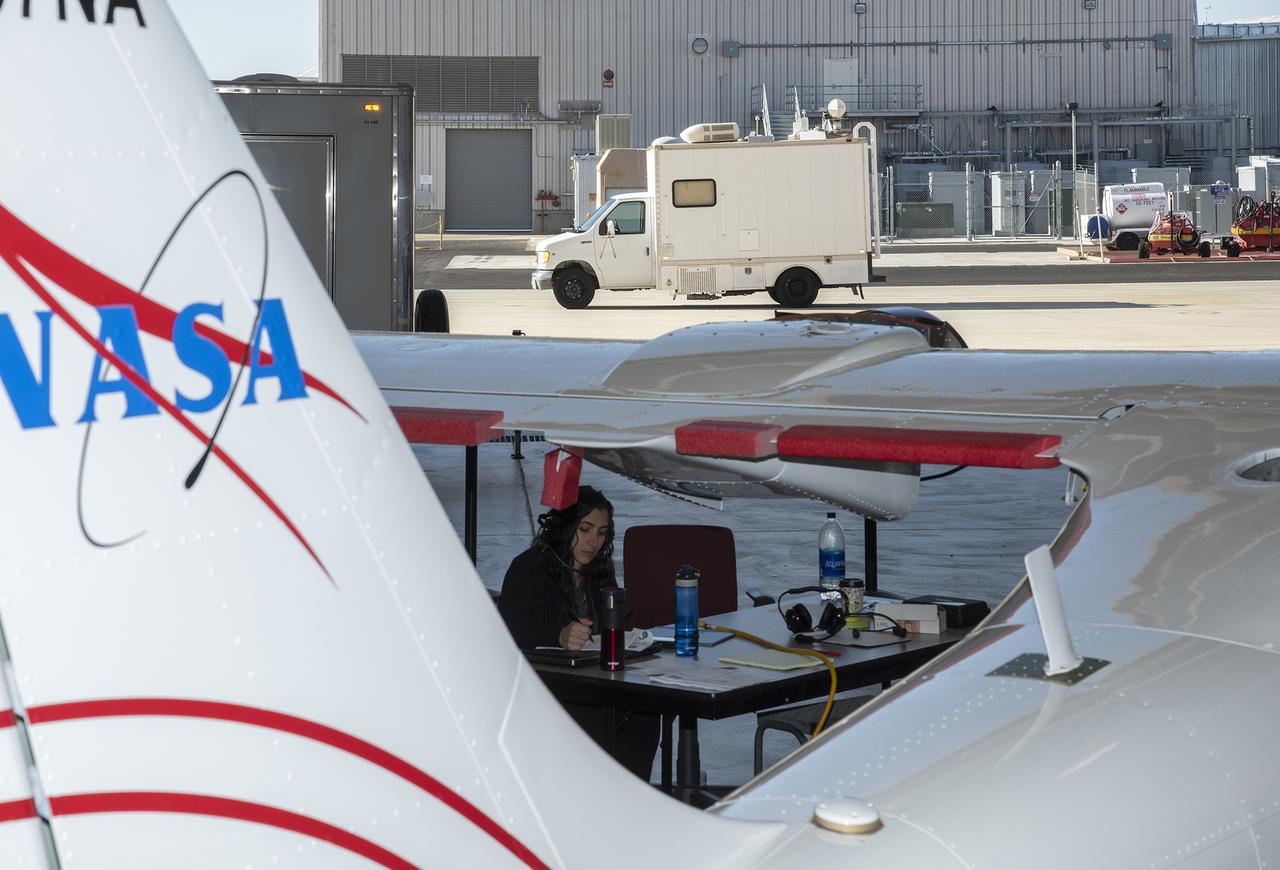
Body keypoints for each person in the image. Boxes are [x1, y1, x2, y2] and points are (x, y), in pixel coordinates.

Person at [498, 486, 659, 780]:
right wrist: (557, 635)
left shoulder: (599, 571)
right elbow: (506, 631)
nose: (592, 542)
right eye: (585, 529)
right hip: (548, 688)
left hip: (593, 681)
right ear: (566, 526)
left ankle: (630, 803)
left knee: (646, 713)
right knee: (599, 719)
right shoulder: (527, 568)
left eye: (601, 533)